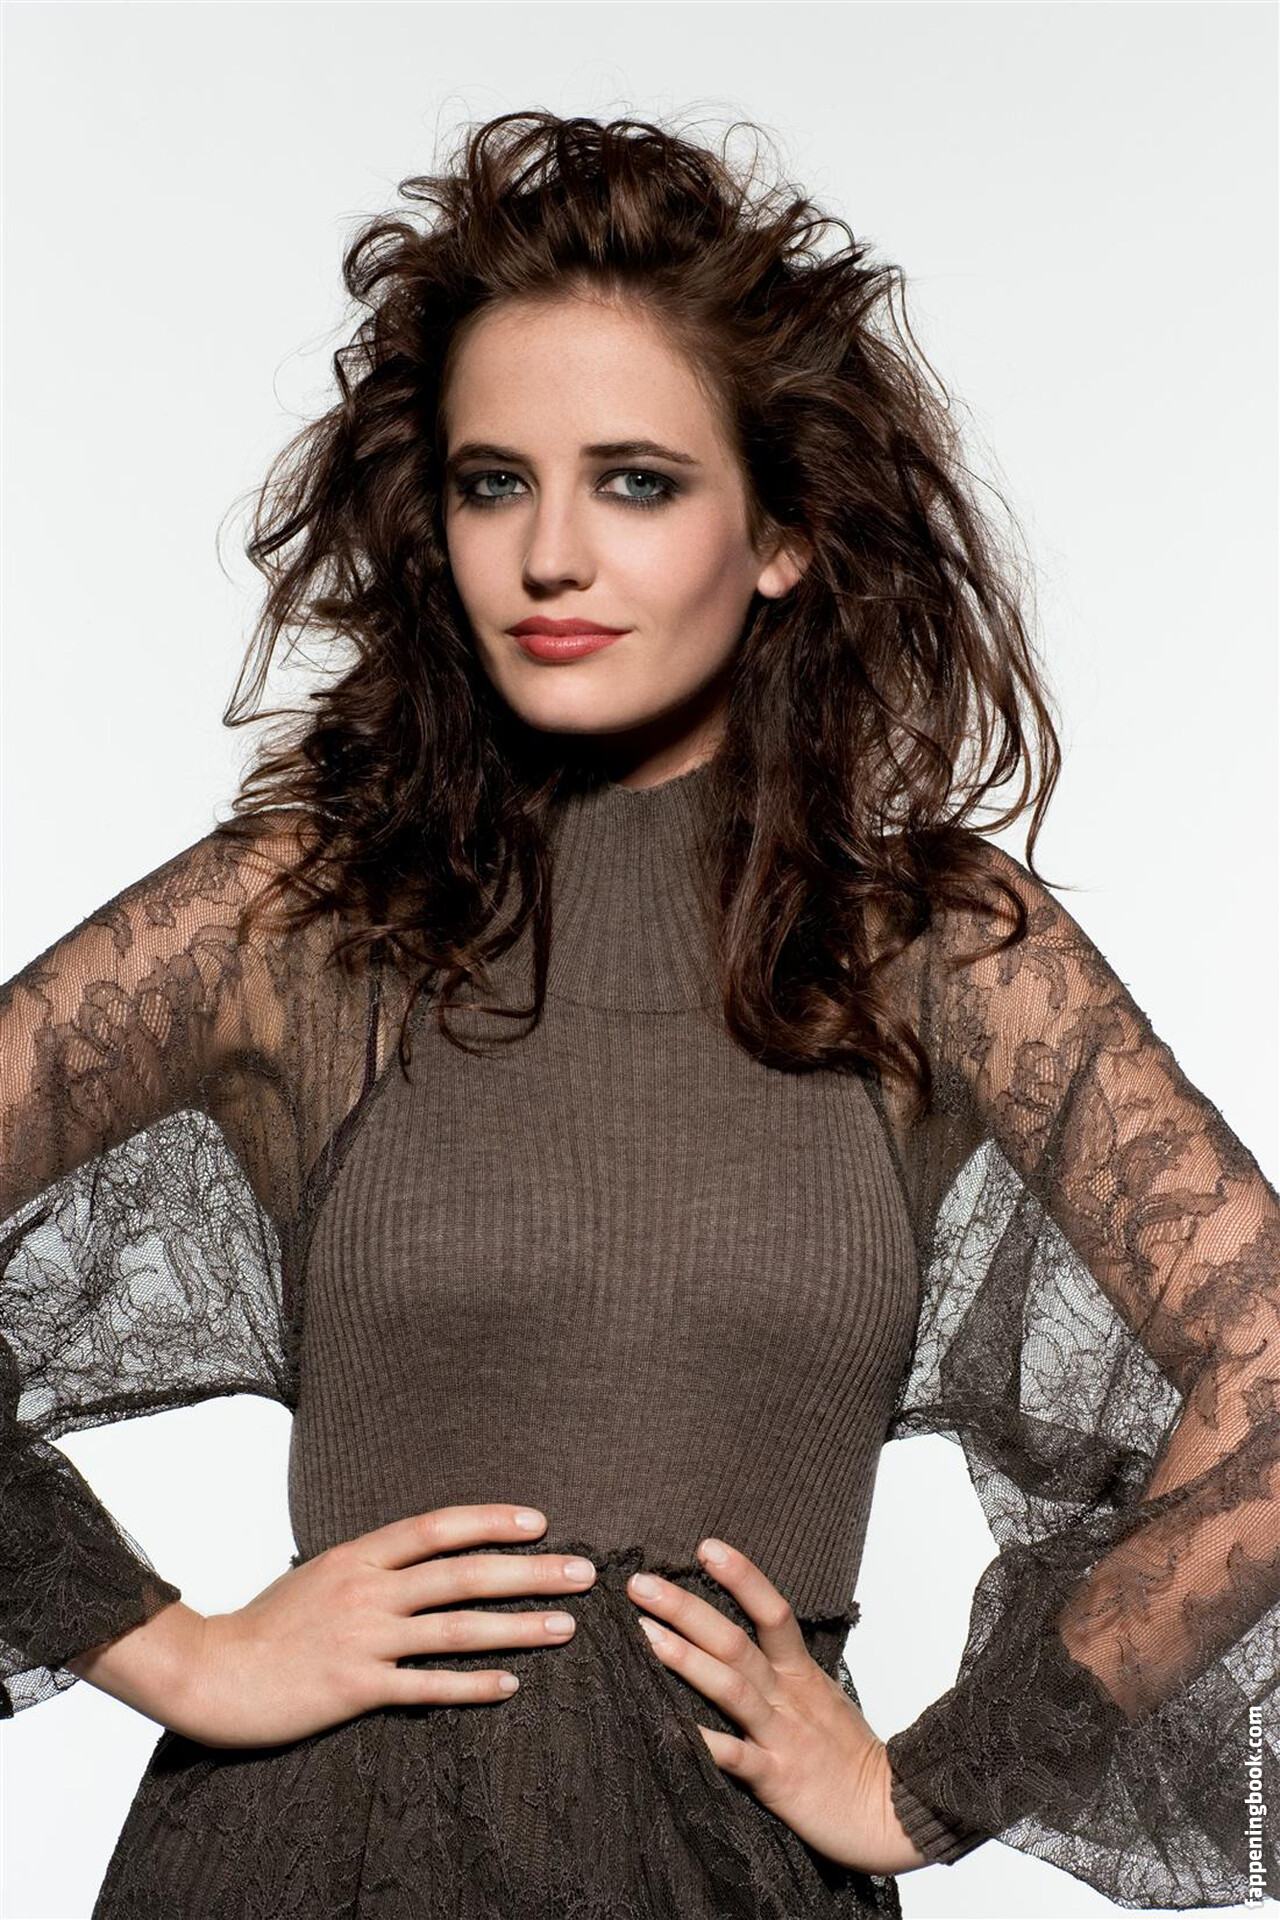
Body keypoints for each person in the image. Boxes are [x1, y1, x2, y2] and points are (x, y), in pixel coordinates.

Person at [2, 108, 1276, 1919]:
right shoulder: (302, 917)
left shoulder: (936, 947)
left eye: (638, 483)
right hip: (304, 1863)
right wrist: (179, 1654)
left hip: (729, 1875)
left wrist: (943, 1782)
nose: (550, 557)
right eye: (492, 483)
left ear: (784, 534)